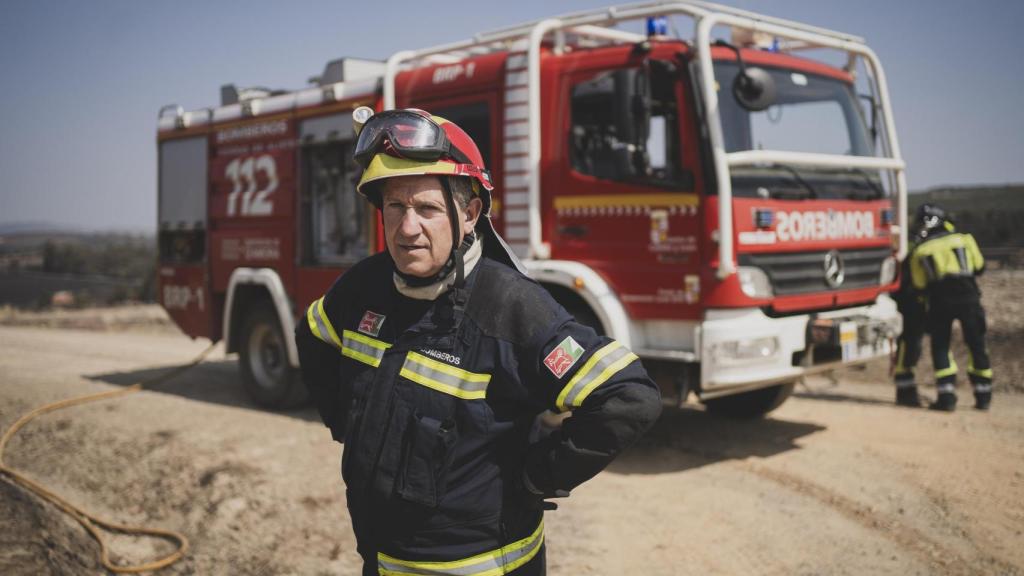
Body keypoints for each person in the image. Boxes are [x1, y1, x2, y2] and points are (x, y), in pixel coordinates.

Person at [295, 107, 662, 575]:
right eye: (395, 207)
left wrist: (535, 477)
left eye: (427, 208)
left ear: (468, 214)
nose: (408, 228)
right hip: (381, 559)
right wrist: (352, 425)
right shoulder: (363, 287)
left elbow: (628, 399)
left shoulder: (512, 307)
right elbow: (313, 335)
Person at [908, 204, 992, 411]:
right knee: (976, 344)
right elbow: (979, 267)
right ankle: (983, 396)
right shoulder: (965, 239)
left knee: (941, 347)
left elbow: (919, 285)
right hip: (968, 297)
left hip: (939, 301)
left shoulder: (920, 251)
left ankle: (946, 398)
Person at [892, 244, 927, 407]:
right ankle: (905, 393)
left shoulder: (915, 249)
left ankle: (907, 389)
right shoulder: (917, 251)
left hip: (912, 306)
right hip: (909, 307)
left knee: (911, 348)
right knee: (907, 349)